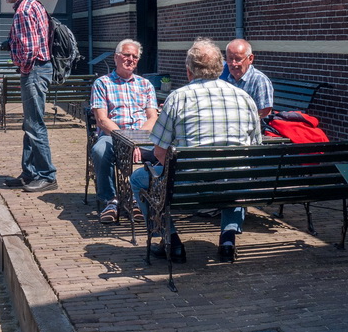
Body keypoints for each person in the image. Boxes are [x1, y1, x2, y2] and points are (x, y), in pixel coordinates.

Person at [130, 38, 261, 263]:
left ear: (189, 70)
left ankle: (171, 240)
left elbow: (160, 153)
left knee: (138, 179)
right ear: (221, 67)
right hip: (232, 186)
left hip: (187, 188)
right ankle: (228, 240)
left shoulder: (178, 98)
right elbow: (254, 150)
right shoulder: (245, 98)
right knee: (236, 170)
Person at [0, 0, 58, 193]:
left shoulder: (23, 10)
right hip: (39, 69)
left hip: (34, 70)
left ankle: (47, 175)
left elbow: (30, 50)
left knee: (35, 125)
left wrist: (23, 68)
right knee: (31, 124)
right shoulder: (34, 4)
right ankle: (30, 172)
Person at [90, 39, 158, 224]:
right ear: (116, 57)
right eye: (126, 55)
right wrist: (127, 140)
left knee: (165, 153)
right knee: (99, 151)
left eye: (134, 56)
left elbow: (152, 117)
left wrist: (137, 140)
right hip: (113, 135)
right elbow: (102, 119)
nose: (130, 59)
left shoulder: (146, 85)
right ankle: (110, 201)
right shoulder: (102, 83)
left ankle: (143, 198)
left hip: (142, 137)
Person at [222, 38, 274, 118]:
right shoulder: (226, 79)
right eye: (230, 59)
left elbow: (264, 113)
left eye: (238, 59)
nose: (233, 64)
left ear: (250, 59)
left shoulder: (259, 80)